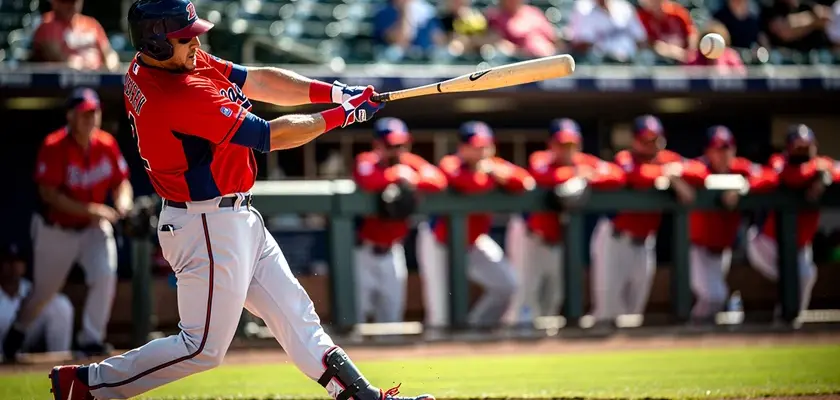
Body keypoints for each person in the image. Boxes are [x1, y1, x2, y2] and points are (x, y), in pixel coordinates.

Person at [44, 2, 429, 400]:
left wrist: (334, 93)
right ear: (156, 42)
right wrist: (342, 115)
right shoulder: (179, 93)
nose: (196, 42)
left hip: (233, 217)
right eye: (185, 36)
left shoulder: (167, 63)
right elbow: (269, 136)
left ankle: (364, 397)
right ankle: (87, 385)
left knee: (298, 319)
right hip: (207, 224)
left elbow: (258, 81)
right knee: (202, 348)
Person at [2, 88, 133, 364]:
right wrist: (93, 209)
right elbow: (49, 194)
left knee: (106, 274)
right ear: (70, 116)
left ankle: (91, 339)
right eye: (84, 113)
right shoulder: (54, 145)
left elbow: (121, 181)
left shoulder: (106, 143)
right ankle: (18, 331)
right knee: (44, 292)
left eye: (94, 112)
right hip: (57, 230)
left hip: (93, 229)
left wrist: (123, 203)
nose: (91, 118)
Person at [589, 115, 707, 325]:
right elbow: (634, 174)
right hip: (615, 241)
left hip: (644, 243)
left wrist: (675, 172)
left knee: (634, 313)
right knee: (608, 310)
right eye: (646, 140)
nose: (652, 145)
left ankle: (624, 356)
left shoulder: (667, 160)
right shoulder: (626, 158)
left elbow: (700, 171)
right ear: (635, 140)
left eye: (656, 139)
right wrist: (668, 176)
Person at [417, 121, 533, 329]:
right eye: (476, 146)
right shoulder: (451, 163)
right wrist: (493, 177)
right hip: (440, 242)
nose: (482, 151)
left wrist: (498, 174)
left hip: (473, 241)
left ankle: (477, 327)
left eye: (486, 145)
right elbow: (471, 184)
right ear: (463, 148)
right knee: (440, 312)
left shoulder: (495, 165)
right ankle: (436, 348)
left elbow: (525, 182)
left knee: (507, 285)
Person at [514, 119, 625, 324]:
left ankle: (542, 350)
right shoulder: (541, 159)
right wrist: (577, 174)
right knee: (525, 294)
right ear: (552, 144)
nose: (567, 149)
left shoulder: (585, 162)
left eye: (571, 144)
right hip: (531, 237)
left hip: (558, 241)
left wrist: (587, 175)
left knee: (554, 296)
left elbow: (617, 175)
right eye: (562, 144)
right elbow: (542, 174)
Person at [353, 117, 447, 324]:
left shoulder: (410, 163)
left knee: (391, 323)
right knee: (355, 320)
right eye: (390, 145)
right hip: (362, 252)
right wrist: (397, 175)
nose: (397, 150)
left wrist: (411, 177)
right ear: (377, 145)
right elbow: (368, 179)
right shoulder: (367, 161)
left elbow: (439, 181)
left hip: (393, 252)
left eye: (401, 144)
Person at [746, 124, 838, 317]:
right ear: (788, 148)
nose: (803, 151)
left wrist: (825, 175)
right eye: (798, 147)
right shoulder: (778, 162)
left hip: (800, 245)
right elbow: (793, 177)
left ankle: (790, 322)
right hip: (765, 244)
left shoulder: (822, 165)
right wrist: (819, 172)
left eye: (807, 146)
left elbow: (835, 168)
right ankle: (787, 320)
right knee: (796, 277)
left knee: (805, 276)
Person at [688, 126, 777, 323]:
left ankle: (699, 338)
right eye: (718, 149)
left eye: (727, 148)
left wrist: (743, 187)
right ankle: (692, 334)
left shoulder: (740, 168)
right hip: (698, 249)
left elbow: (769, 176)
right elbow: (682, 170)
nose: (723, 154)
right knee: (714, 297)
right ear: (708, 151)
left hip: (723, 251)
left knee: (714, 301)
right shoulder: (699, 166)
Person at [1, 243, 74, 358]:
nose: (13, 267)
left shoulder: (33, 291)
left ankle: (59, 358)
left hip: (27, 335)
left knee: (60, 304)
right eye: (8, 261)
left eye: (17, 262)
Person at [30, 0, 120, 71]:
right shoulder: (48, 24)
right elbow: (56, 57)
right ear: (54, 2)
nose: (71, 5)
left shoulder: (91, 23)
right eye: (65, 1)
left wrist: (110, 66)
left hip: (99, 77)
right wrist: (83, 67)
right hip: (69, 81)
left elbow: (109, 53)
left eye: (74, 1)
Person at [567, 0, 649, 63]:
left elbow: (641, 38)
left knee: (647, 57)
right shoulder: (584, 10)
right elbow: (583, 43)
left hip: (630, 61)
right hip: (602, 63)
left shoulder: (624, 7)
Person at [484, 0, 559, 58]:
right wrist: (519, 52)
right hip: (521, 62)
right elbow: (498, 43)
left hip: (550, 58)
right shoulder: (495, 16)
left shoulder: (534, 12)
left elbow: (554, 39)